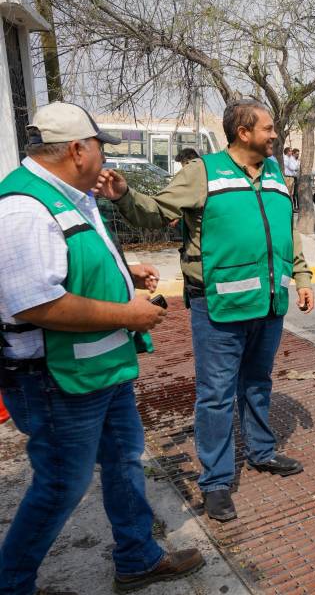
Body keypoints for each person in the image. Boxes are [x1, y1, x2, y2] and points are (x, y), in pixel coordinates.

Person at [0, 102, 203, 593]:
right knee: (61, 485)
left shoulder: (68, 195)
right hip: (54, 378)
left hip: (98, 369)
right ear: (76, 149)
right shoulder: (24, 208)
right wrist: (127, 313)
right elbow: (33, 303)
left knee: (123, 459)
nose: (101, 157)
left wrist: (122, 272)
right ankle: (11, 582)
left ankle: (137, 557)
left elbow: (68, 261)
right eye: (97, 147)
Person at [96, 99, 315, 522]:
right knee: (215, 397)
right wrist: (123, 194)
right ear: (243, 133)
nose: (274, 135)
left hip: (269, 304)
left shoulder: (273, 173)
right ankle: (216, 481)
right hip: (218, 307)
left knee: (258, 384)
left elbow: (287, 234)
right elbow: (157, 213)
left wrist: (302, 278)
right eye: (267, 129)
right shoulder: (204, 172)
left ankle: (262, 452)